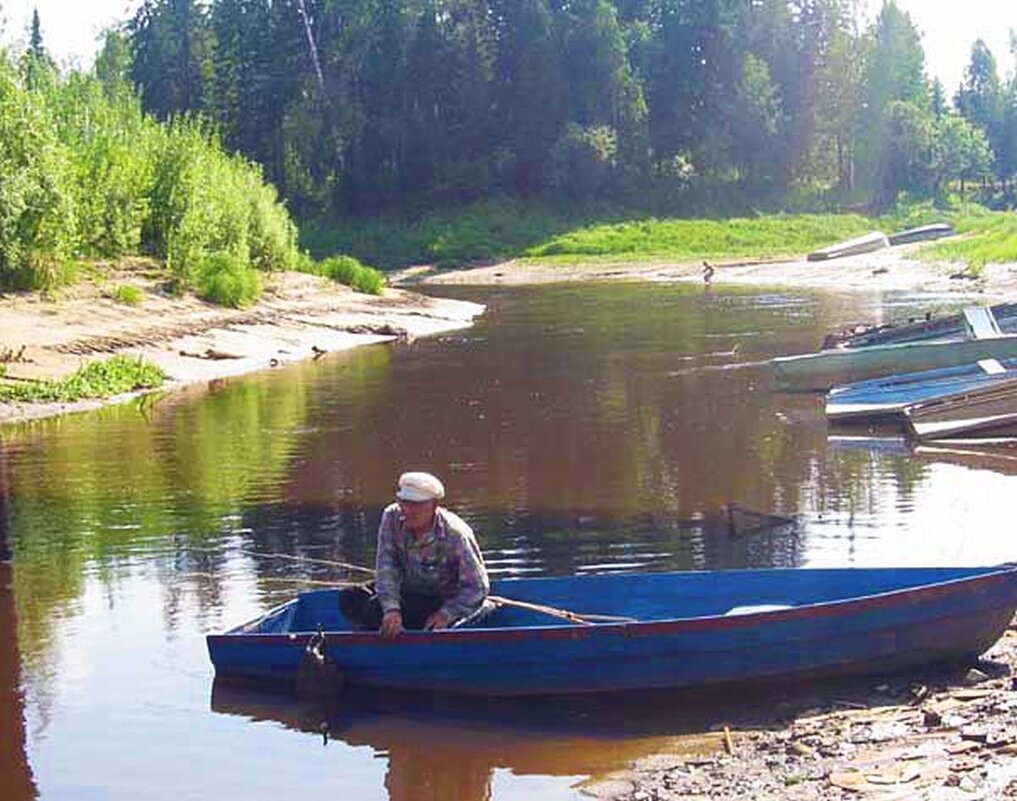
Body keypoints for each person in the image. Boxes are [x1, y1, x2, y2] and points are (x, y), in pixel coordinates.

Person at [340, 471, 490, 637]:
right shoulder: (391, 517)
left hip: (440, 599)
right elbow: (387, 568)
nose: (408, 510)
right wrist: (392, 609)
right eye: (404, 502)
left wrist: (445, 614)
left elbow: (477, 587)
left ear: (434, 505)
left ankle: (400, 642)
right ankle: (375, 641)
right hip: (407, 591)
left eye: (416, 504)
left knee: (374, 609)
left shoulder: (456, 534)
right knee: (350, 597)